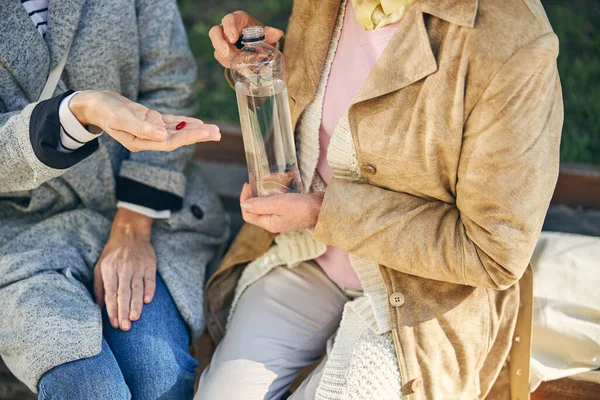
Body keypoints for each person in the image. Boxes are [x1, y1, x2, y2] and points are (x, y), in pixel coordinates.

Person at [200, 0, 563, 398]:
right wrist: (257, 61)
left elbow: (493, 251)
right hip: (308, 256)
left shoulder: (513, 41)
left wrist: (323, 212)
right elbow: (325, 115)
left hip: (424, 299)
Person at [0, 1, 229, 399]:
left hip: (152, 212)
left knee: (159, 374)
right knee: (89, 389)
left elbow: (170, 83)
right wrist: (75, 114)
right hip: (22, 240)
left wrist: (133, 227)